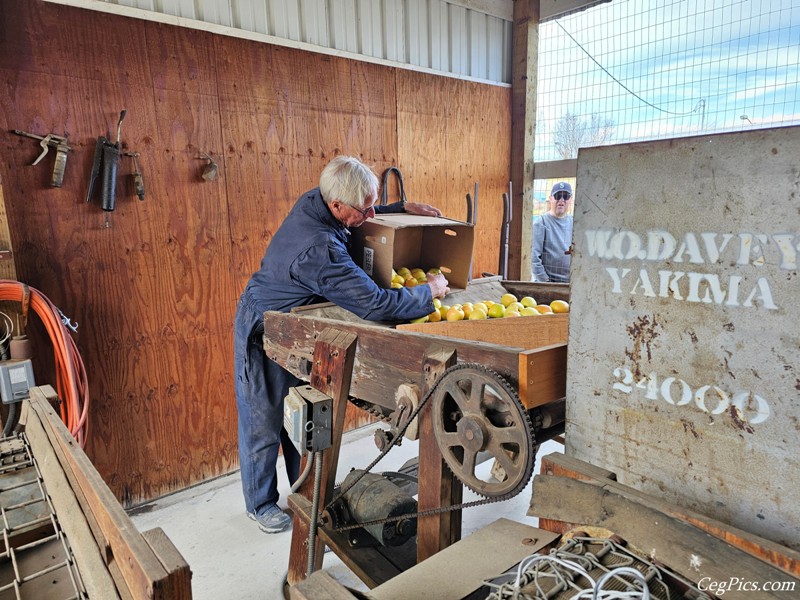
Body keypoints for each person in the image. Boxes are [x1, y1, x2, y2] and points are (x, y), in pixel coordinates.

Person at [234, 156, 449, 533]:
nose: (371, 214)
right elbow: (377, 305)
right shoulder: (319, 251)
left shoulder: (317, 199)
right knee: (263, 417)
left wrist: (397, 208)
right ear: (337, 206)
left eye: (373, 204)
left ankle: (303, 490)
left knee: (301, 416)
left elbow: (361, 205)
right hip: (264, 325)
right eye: (365, 209)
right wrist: (428, 292)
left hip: (301, 322)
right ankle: (260, 503)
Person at [531, 181, 573, 283]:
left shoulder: (574, 223)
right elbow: (534, 258)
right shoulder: (541, 223)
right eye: (558, 196)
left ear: (571, 200)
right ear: (551, 199)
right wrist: (546, 282)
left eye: (565, 196)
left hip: (571, 283)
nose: (561, 200)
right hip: (549, 283)